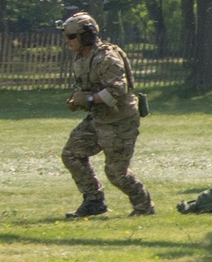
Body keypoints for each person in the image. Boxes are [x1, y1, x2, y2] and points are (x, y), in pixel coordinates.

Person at [59, 12, 154, 220]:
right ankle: (94, 201)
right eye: (66, 36)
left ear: (86, 36)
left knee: (116, 173)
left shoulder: (106, 58)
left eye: (72, 36)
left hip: (120, 121)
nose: (67, 41)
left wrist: (90, 99)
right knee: (72, 154)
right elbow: (85, 87)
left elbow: (117, 91)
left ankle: (144, 206)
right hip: (99, 118)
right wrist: (77, 100)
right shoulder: (82, 58)